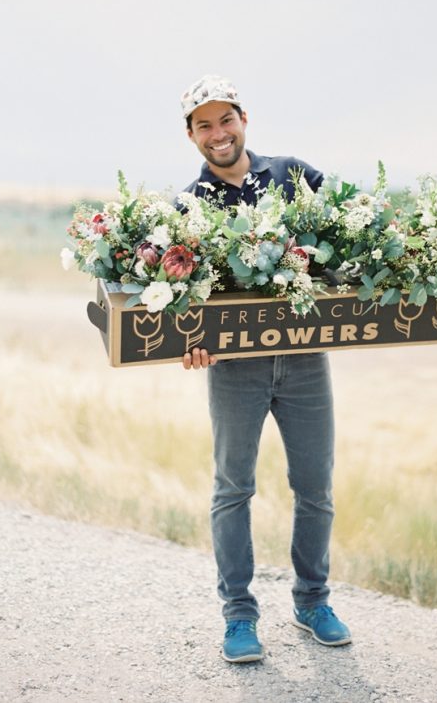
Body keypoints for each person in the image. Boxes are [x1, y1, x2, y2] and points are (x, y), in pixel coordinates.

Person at [179, 74, 351, 663]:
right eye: (204, 124)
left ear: (243, 119)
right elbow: (184, 303)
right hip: (235, 370)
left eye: (225, 119)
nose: (217, 133)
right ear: (191, 135)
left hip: (305, 360)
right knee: (233, 488)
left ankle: (312, 603)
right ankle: (239, 617)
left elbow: (346, 243)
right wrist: (191, 340)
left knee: (316, 488)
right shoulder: (187, 207)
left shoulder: (295, 175)